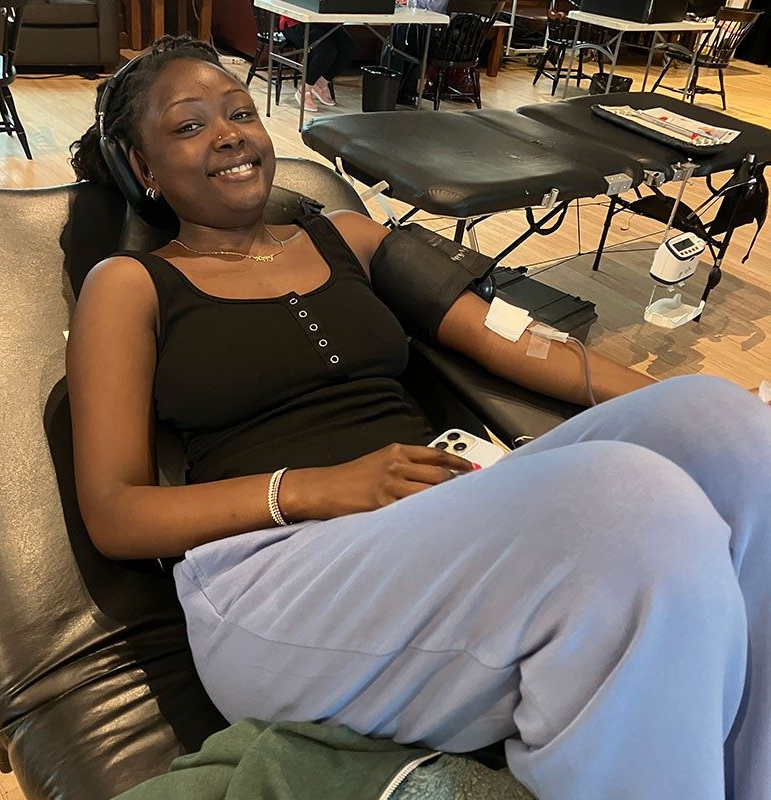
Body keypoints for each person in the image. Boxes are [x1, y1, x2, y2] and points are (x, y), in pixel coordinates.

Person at [68, 35, 770, 800]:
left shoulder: (349, 238)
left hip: (430, 520)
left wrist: (688, 409)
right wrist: (310, 488)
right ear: (142, 168)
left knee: (723, 422)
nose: (230, 133)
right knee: (631, 499)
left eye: (240, 112)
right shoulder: (131, 284)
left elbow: (506, 338)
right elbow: (115, 513)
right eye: (189, 125)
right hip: (272, 581)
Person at [279, 16, 357, 112]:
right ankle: (304, 89)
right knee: (326, 49)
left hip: (326, 21)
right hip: (295, 23)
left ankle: (320, 84)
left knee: (349, 49)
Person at [389, 0, 450, 105]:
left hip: (441, 40)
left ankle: (392, 90)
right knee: (400, 34)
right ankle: (399, 90)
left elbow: (432, 7)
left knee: (402, 34)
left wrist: (411, 2)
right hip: (444, 37)